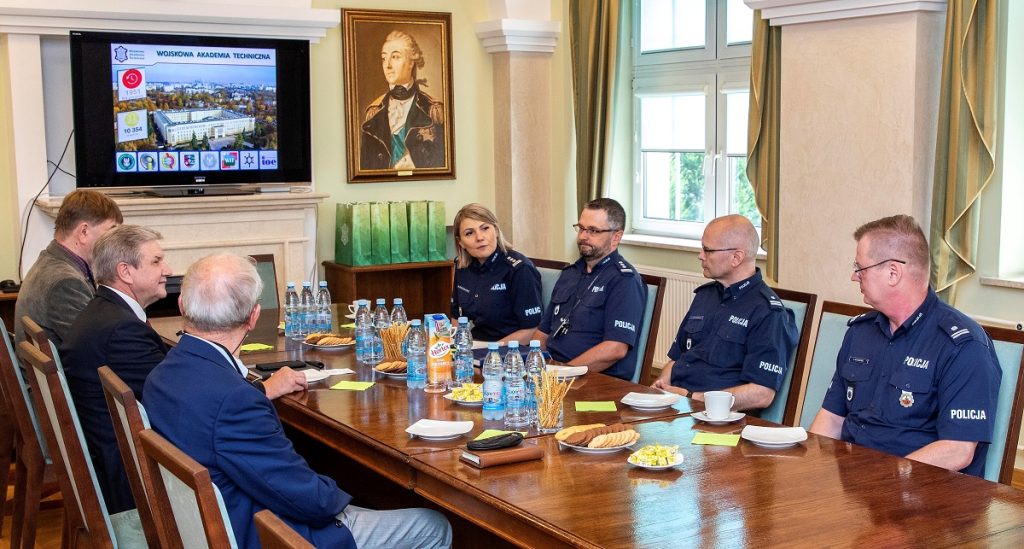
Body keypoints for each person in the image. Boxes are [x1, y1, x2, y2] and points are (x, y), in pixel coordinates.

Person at [144, 253, 452, 549]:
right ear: (253, 317)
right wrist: (345, 494)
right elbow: (312, 502)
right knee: (434, 526)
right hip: (266, 533)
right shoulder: (235, 400)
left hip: (211, 522)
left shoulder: (162, 375)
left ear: (182, 305)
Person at [809, 215, 1001, 477]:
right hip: (855, 487)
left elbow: (958, 449)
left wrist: (886, 480)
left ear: (892, 273)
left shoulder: (962, 346)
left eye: (860, 268)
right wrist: (806, 470)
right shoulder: (860, 332)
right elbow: (832, 417)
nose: (854, 277)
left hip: (923, 495)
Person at [59, 225, 172, 513]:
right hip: (129, 480)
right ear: (125, 271)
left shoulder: (104, 312)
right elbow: (176, 399)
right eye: (157, 261)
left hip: (111, 459)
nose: (168, 270)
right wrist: (262, 387)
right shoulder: (122, 330)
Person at [652, 215, 798, 411]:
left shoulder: (768, 312)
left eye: (708, 250)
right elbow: (677, 358)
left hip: (718, 418)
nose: (700, 256)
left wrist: (692, 398)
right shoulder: (705, 296)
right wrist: (660, 389)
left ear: (736, 257)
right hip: (677, 405)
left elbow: (761, 394)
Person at [534, 198, 646, 380]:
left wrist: (564, 373)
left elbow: (615, 349)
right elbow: (542, 333)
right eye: (581, 228)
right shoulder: (570, 273)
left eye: (593, 231)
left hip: (595, 382)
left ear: (616, 237)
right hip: (555, 371)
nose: (583, 236)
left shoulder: (624, 280)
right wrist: (531, 366)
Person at [14, 189, 122, 345]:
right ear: (83, 232)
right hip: (69, 369)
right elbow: (97, 345)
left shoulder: (50, 260)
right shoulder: (66, 282)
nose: (115, 241)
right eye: (111, 232)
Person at [450, 203, 543, 343]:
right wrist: (454, 349)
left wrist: (492, 351)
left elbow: (532, 329)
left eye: (485, 228)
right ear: (460, 242)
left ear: (496, 230)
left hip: (511, 350)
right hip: (476, 344)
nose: (479, 237)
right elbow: (457, 317)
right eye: (469, 233)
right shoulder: (461, 267)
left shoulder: (519, 269)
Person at [360, 30, 446, 170]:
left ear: (411, 62)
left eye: (395, 57)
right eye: (383, 58)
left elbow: (442, 163)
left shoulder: (433, 109)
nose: (387, 65)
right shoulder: (374, 111)